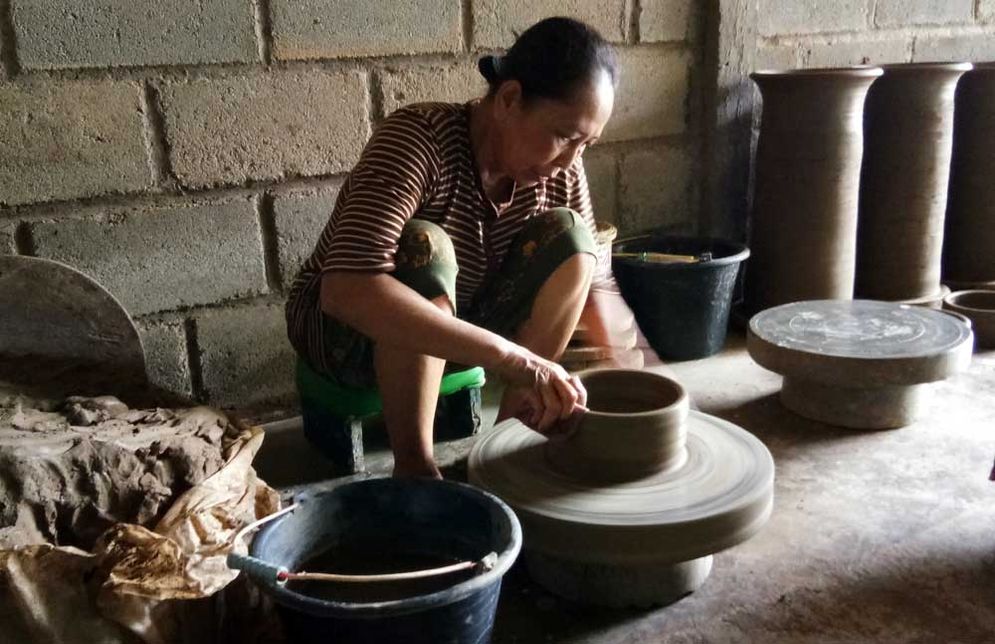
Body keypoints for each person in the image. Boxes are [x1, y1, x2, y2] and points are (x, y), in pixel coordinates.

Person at [286, 16, 625, 478]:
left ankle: (503, 453)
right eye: (565, 136)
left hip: (459, 324)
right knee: (425, 246)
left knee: (573, 239)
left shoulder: (560, 169)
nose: (571, 159)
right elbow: (345, 291)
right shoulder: (417, 139)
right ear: (509, 99)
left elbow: (593, 285)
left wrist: (631, 361)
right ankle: (416, 471)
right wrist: (518, 359)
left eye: (587, 143)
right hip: (345, 338)